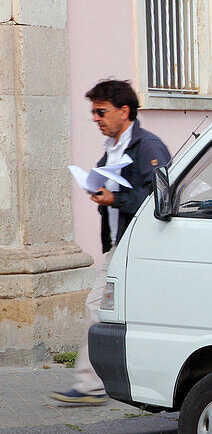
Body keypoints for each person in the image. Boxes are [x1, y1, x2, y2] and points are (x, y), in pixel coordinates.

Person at [50, 80, 171, 404]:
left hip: (140, 246)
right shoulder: (113, 149)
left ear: (124, 111)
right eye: (93, 112)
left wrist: (114, 198)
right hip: (122, 245)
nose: (95, 118)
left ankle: (92, 386)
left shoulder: (148, 147)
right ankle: (108, 383)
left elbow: (161, 196)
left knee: (98, 307)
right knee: (115, 311)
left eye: (101, 112)